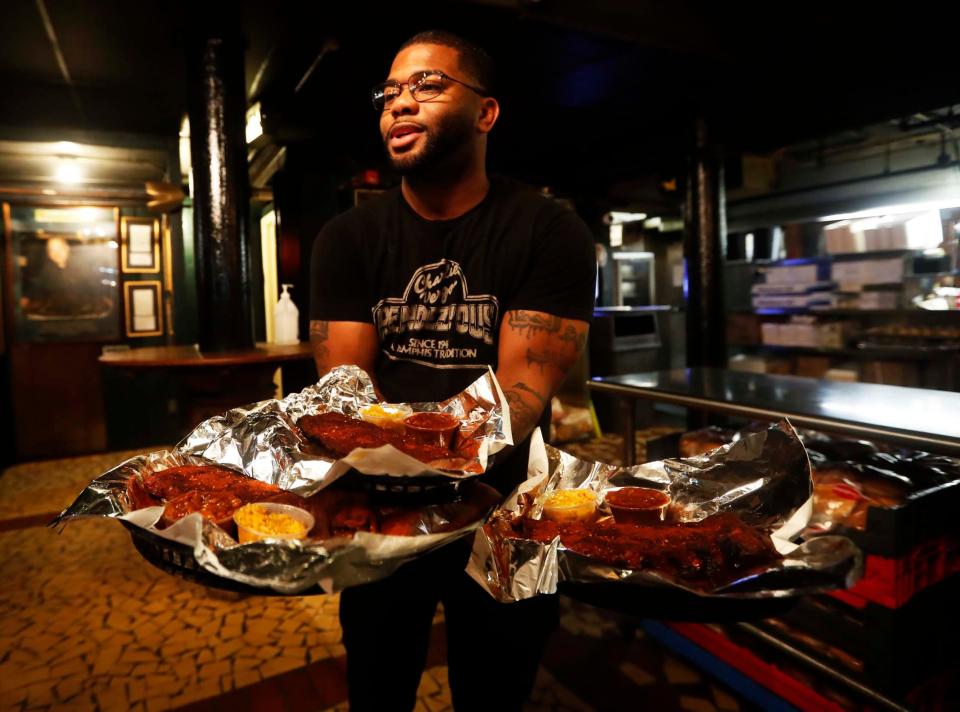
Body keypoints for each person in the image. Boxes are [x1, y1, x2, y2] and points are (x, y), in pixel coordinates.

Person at [309, 29, 596, 711]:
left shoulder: (550, 231)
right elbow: (346, 392)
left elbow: (521, 393)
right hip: (379, 507)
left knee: (497, 684)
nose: (399, 105)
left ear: (486, 112)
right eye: (389, 94)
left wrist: (421, 449)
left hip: (506, 507)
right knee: (377, 680)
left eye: (427, 85)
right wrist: (391, 469)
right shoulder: (346, 239)